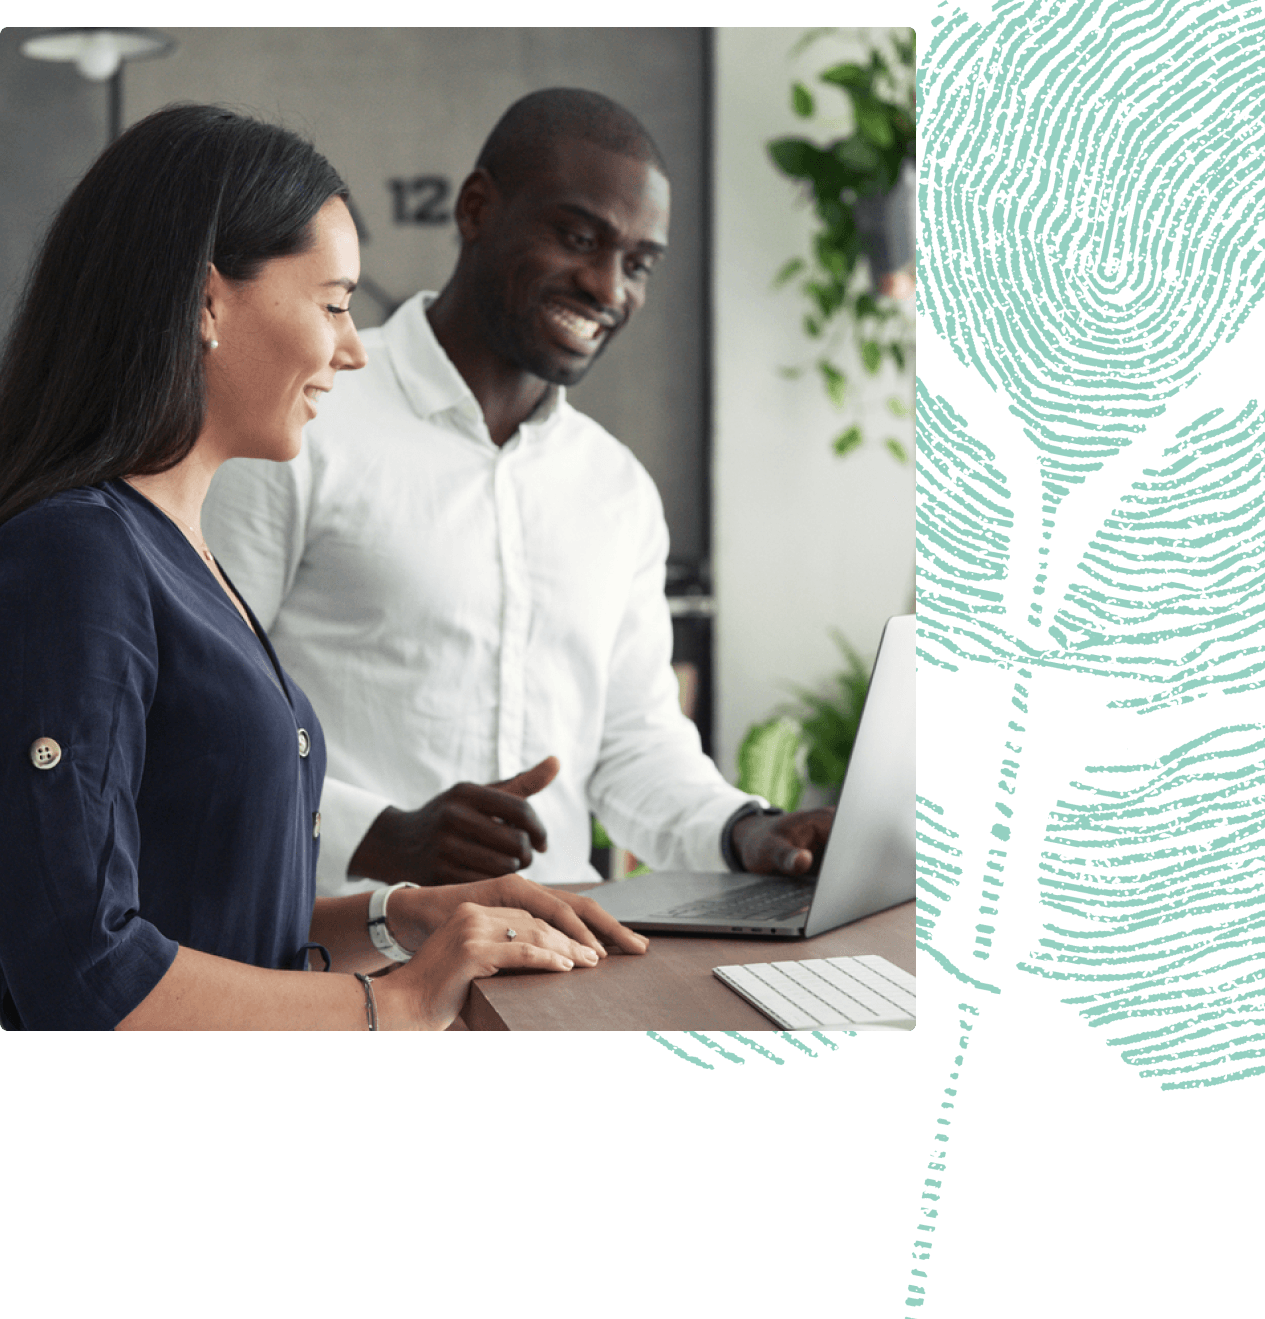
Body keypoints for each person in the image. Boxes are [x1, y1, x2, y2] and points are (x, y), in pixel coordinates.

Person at [0, 103, 645, 1032]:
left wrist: (399, 917)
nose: (351, 347)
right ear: (206, 300)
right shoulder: (77, 556)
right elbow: (87, 968)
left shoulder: (180, 551)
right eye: (336, 303)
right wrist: (398, 1003)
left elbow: (210, 914)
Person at [203, 88, 834, 895]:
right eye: (579, 238)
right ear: (477, 209)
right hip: (348, 962)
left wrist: (747, 830)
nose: (609, 288)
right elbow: (209, 722)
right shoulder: (299, 424)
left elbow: (633, 745)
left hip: (559, 958)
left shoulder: (618, 491)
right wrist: (382, 838)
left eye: (638, 263)